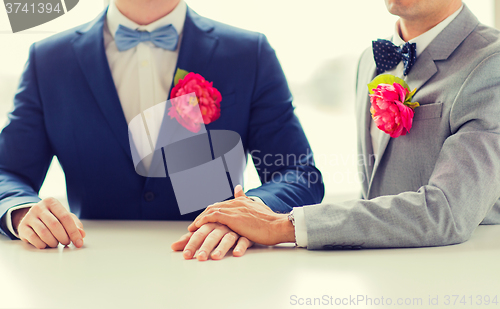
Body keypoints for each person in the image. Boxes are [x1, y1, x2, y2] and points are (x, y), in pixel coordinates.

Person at [0, 0, 324, 256]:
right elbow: (8, 172)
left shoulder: (249, 53)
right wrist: (20, 211)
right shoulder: (49, 59)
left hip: (215, 268)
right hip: (89, 268)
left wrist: (250, 213)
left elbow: (298, 173)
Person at [178, 0, 500, 254]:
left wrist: (282, 226)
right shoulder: (371, 61)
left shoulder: (491, 63)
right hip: (382, 276)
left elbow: (448, 212)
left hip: (456, 275)